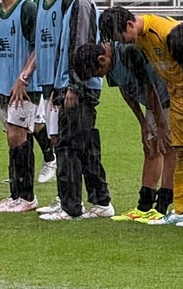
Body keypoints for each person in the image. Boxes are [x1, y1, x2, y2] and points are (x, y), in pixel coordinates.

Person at [100, 7, 183, 227]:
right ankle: (172, 209)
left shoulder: (164, 31)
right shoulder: (138, 41)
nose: (122, 42)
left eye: (121, 37)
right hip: (175, 95)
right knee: (176, 150)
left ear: (129, 25)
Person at [41, 0, 113, 221]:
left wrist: (74, 85)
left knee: (69, 147)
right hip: (73, 86)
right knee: (84, 146)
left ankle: (71, 207)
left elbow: (81, 48)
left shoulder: (81, 4)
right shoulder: (68, 4)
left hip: (78, 88)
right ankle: (100, 201)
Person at [73, 42, 174, 223]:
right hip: (153, 104)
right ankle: (145, 205)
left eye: (98, 72)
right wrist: (142, 122)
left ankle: (163, 206)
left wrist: (161, 124)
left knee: (167, 147)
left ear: (102, 59)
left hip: (167, 98)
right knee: (150, 148)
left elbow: (150, 87)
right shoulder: (109, 64)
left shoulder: (127, 53)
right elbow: (125, 89)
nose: (101, 76)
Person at [0, 0, 41, 213]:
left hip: (24, 87)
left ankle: (27, 196)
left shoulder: (27, 10)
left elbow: (39, 47)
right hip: (3, 86)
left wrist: (24, 77)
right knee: (11, 138)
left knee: (19, 135)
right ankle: (15, 195)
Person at [19, 0, 57, 184]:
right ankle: (28, 170)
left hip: (43, 79)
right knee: (23, 125)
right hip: (31, 76)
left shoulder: (42, 4)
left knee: (38, 124)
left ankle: (49, 159)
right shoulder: (27, 7)